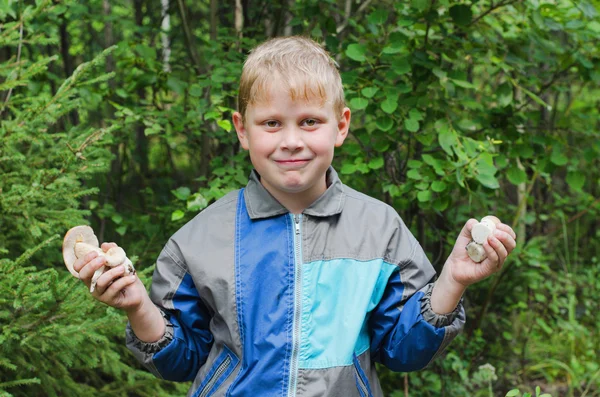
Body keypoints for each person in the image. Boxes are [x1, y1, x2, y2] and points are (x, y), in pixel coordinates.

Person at [73, 36, 516, 397]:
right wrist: (136, 306)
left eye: (309, 122)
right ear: (242, 129)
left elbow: (403, 351)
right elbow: (182, 360)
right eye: (271, 124)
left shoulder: (379, 230)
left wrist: (452, 281)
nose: (290, 141)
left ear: (340, 126)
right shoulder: (199, 239)